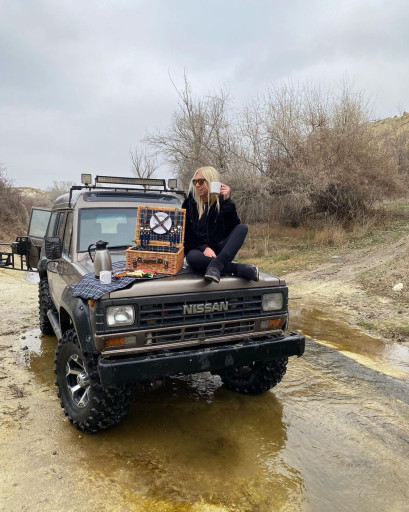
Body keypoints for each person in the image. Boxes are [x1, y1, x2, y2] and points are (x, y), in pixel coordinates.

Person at [182, 166, 259, 283]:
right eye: (195, 182)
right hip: (199, 251)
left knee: (242, 228)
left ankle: (216, 265)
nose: (197, 185)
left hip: (220, 251)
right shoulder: (189, 204)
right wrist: (204, 248)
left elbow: (232, 228)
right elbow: (186, 233)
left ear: (211, 182)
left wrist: (227, 202)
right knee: (192, 258)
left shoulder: (222, 202)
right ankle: (238, 269)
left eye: (201, 181)